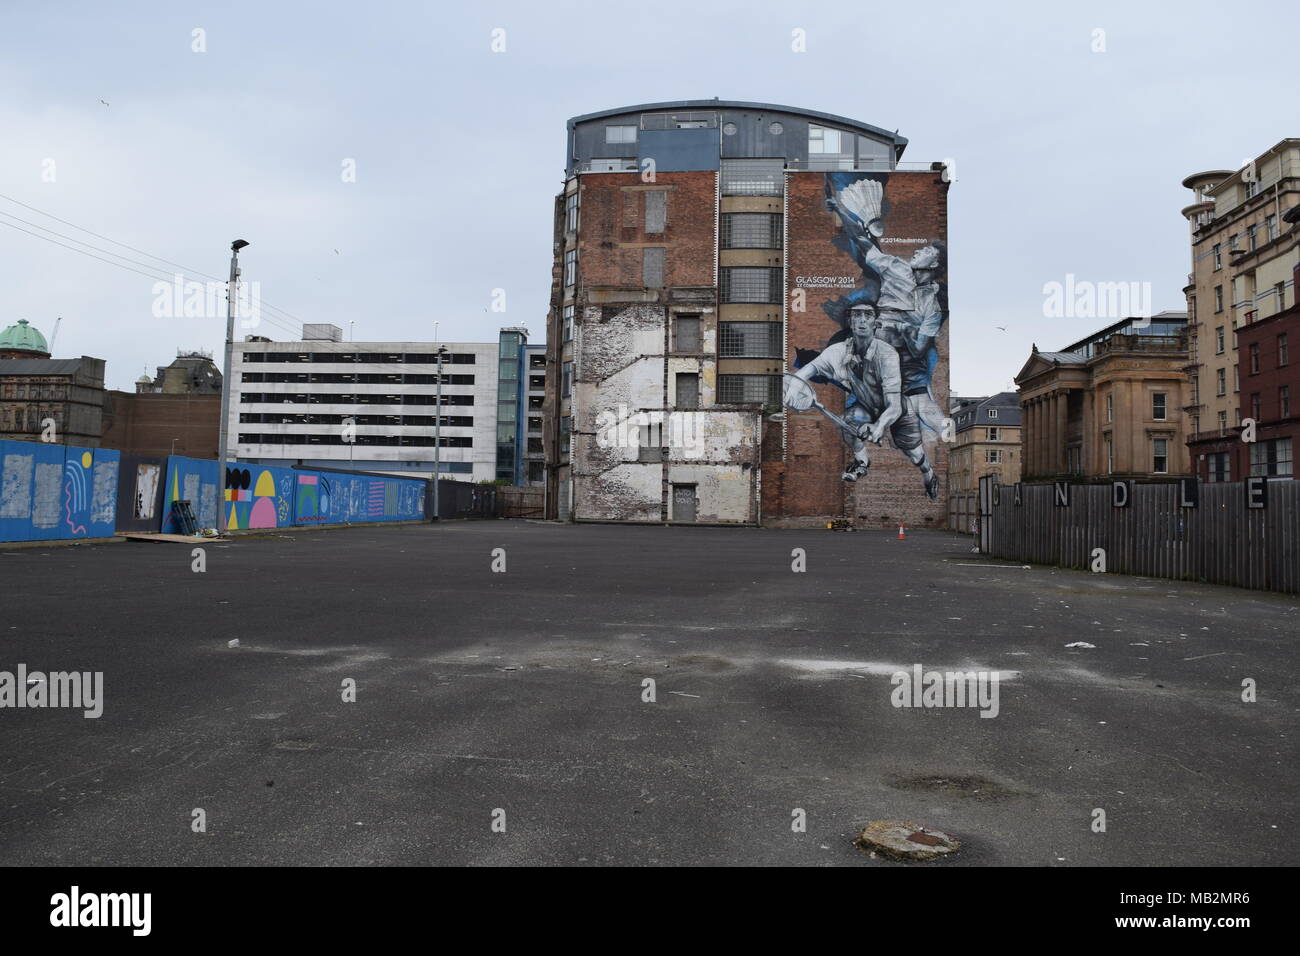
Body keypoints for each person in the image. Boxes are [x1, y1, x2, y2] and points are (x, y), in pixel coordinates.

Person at [786, 304, 940, 497]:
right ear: (850, 322)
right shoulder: (838, 351)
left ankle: (929, 473)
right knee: (849, 420)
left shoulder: (887, 354)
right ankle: (862, 461)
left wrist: (878, 426)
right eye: (856, 315)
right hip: (867, 406)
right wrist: (792, 389)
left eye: (867, 315)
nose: (861, 320)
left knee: (915, 454)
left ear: (876, 323)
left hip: (897, 409)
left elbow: (893, 406)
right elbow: (808, 370)